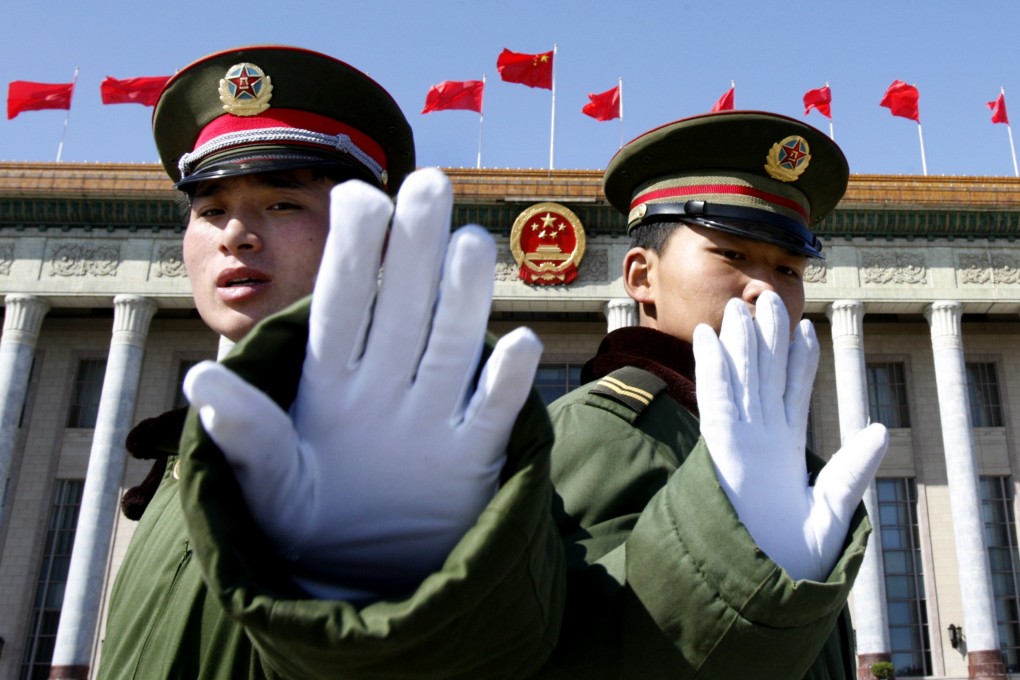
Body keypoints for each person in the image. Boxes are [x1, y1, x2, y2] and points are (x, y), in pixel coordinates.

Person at [98, 45, 563, 679]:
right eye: (210, 211)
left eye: (282, 203)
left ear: (372, 238)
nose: (235, 234)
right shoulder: (184, 451)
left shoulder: (449, 455)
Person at [541, 111, 890, 678]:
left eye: (789, 269)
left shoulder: (781, 459)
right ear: (640, 277)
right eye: (732, 255)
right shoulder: (598, 435)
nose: (765, 289)